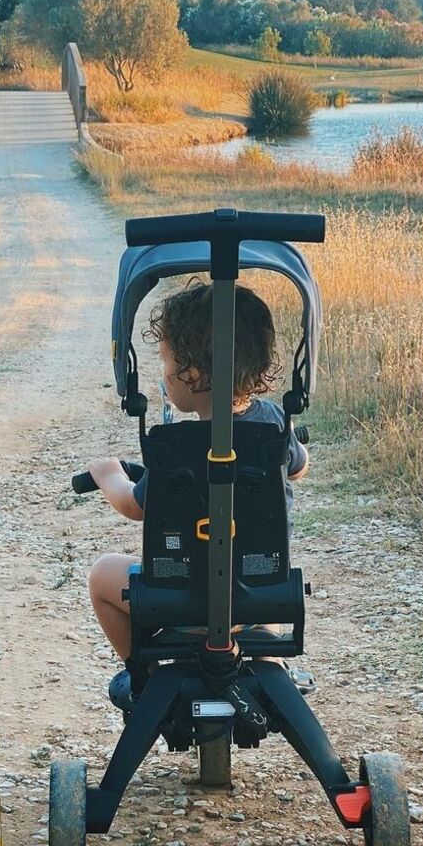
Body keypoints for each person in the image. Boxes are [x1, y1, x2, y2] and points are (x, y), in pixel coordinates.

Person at [85, 279, 310, 706]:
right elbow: (299, 469)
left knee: (102, 575)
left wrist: (108, 474)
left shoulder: (177, 446)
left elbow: (134, 504)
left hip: (180, 600)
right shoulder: (275, 426)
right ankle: (270, 665)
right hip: (262, 596)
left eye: (166, 362)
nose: (163, 373)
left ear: (191, 373)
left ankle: (144, 677)